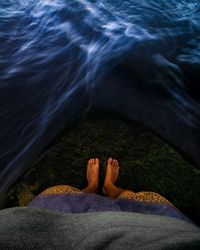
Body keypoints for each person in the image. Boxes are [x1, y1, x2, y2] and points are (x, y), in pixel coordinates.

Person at [0, 158, 200, 249]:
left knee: (59, 192)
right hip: (159, 232)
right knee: (145, 198)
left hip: (49, 230)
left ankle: (92, 187)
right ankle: (111, 188)